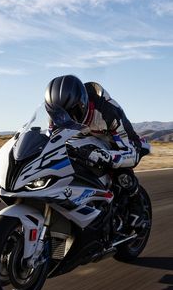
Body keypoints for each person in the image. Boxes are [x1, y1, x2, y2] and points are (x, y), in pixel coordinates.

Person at [45, 74, 148, 228]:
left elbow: (131, 151)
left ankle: (137, 205)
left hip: (117, 143)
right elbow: (50, 140)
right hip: (84, 140)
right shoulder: (57, 112)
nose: (66, 119)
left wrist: (107, 157)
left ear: (82, 104)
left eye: (71, 113)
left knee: (122, 174)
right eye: (59, 115)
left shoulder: (107, 111)